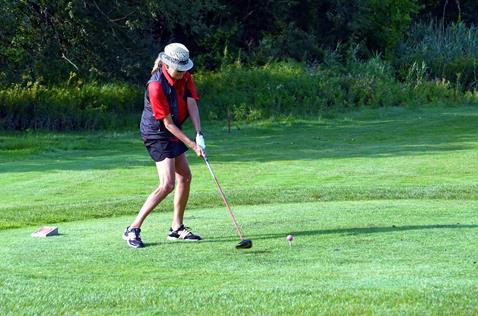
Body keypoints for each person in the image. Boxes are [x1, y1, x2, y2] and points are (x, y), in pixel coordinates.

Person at [123, 43, 206, 248]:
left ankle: (176, 228)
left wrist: (198, 133)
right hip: (156, 133)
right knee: (167, 184)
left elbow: (192, 103)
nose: (182, 73)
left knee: (185, 177)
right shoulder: (156, 85)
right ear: (167, 65)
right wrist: (192, 146)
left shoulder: (185, 75)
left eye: (185, 69)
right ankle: (132, 229)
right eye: (179, 70)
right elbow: (167, 123)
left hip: (173, 128)